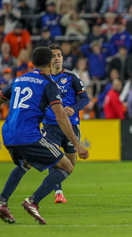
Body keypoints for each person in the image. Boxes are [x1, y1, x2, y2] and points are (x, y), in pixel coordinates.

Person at [0, 47, 89, 225]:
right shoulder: (49, 84)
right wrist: (78, 145)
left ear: (32, 62)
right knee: (67, 165)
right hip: (29, 135)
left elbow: (2, 97)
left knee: (25, 164)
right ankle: (33, 201)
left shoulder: (19, 79)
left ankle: (2, 202)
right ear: (50, 63)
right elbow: (61, 116)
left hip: (8, 133)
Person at [41, 44, 90, 204]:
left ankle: (56, 187)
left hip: (70, 125)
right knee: (54, 157)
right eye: (54, 55)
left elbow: (85, 99)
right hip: (50, 124)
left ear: (62, 58)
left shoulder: (71, 76)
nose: (57, 58)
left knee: (70, 163)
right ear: (49, 59)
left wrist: (73, 108)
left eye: (59, 55)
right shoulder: (43, 79)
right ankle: (58, 193)